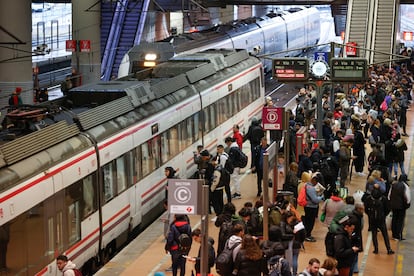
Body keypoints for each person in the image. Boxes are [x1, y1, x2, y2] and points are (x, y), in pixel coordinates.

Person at [364, 185, 394, 255]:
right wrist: (384, 215)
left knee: (374, 235)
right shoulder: (383, 198)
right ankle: (389, 249)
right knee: (385, 234)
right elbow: (388, 209)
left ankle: (376, 249)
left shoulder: (369, 198)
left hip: (372, 219)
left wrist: (370, 215)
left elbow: (366, 209)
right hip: (381, 219)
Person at [388, 175, 411, 240]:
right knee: (400, 221)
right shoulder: (405, 186)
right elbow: (408, 198)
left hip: (393, 206)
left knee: (394, 219)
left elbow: (389, 196)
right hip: (402, 207)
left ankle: (394, 234)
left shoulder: (394, 185)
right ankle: (398, 235)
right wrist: (407, 205)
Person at [303, 173, 324, 242]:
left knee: (308, 221)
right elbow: (315, 199)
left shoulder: (306, 186)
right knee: (310, 222)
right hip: (311, 207)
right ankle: (307, 235)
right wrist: (321, 197)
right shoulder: (310, 188)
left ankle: (306, 234)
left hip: (308, 206)